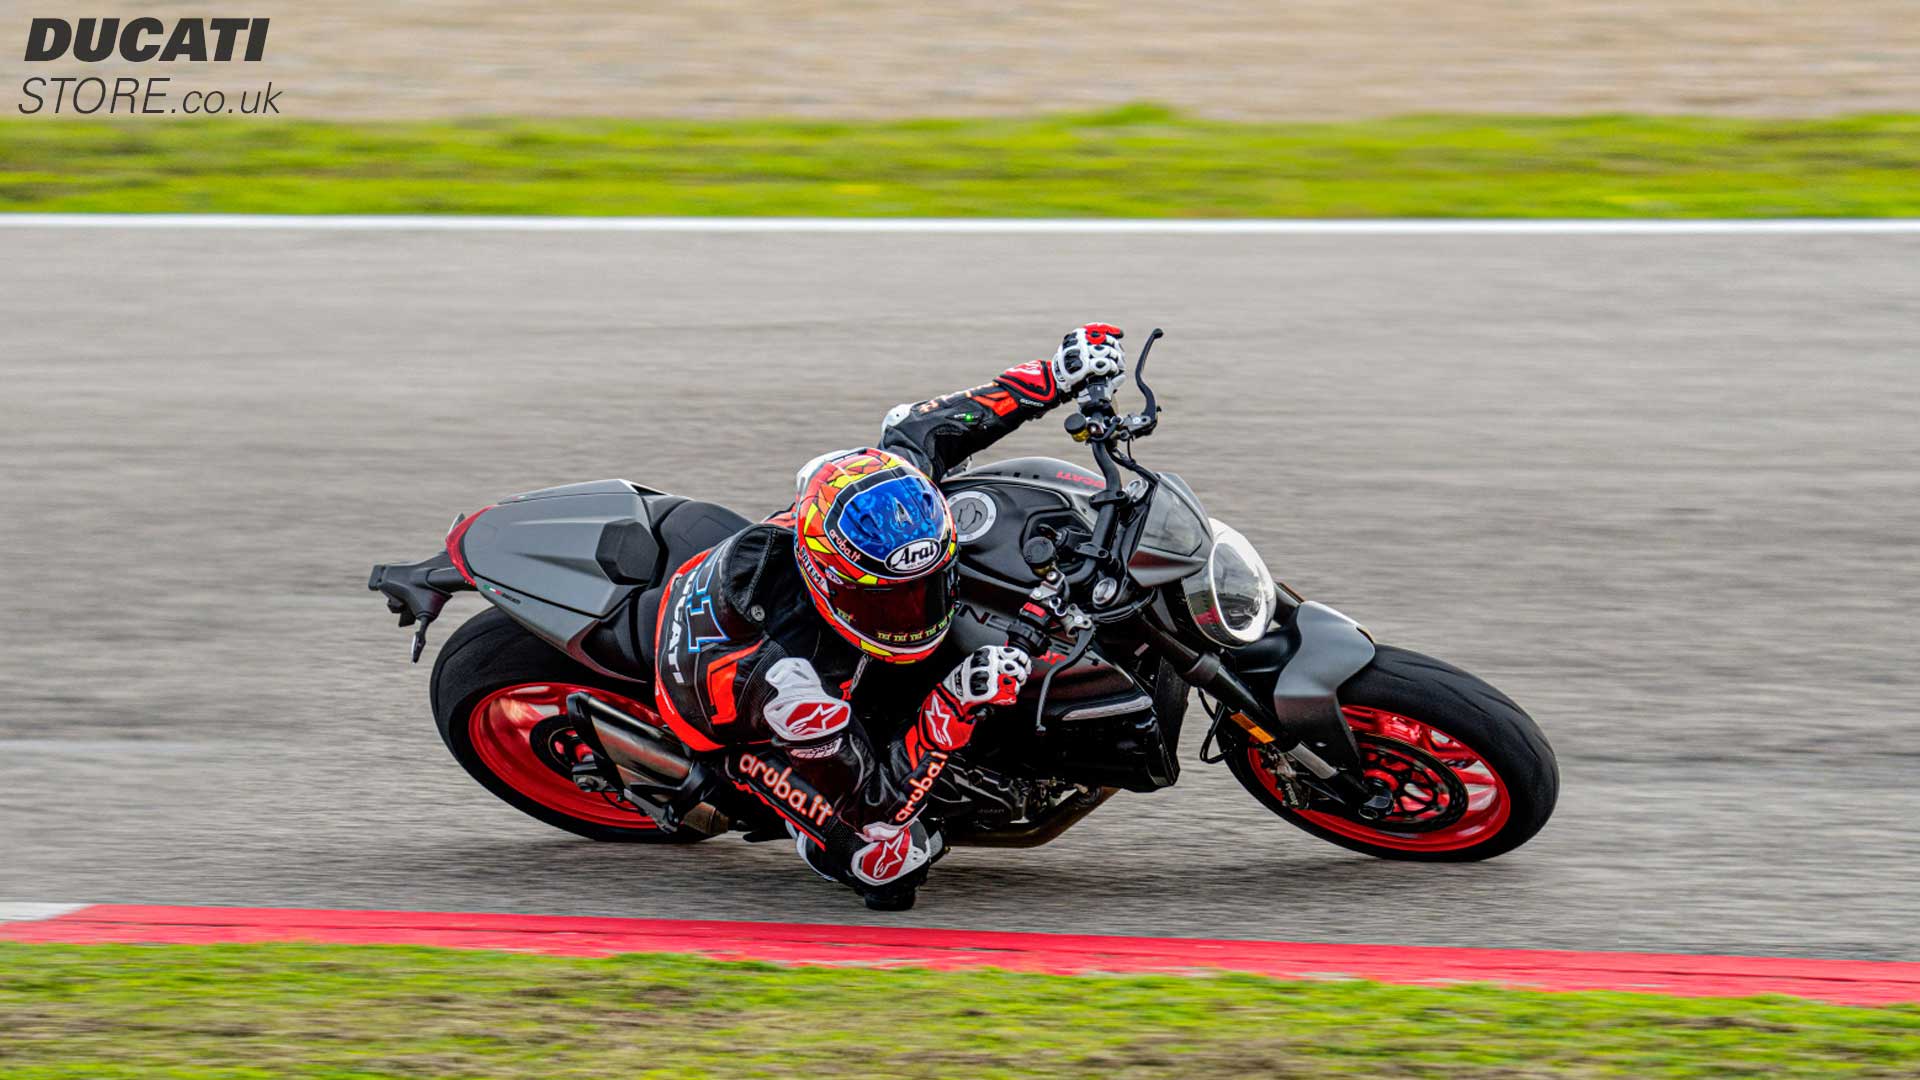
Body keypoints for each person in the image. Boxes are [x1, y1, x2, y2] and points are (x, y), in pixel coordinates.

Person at [649, 324, 1128, 908]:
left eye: (925, 588)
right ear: (830, 582)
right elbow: (876, 801)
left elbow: (924, 426)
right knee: (886, 861)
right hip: (740, 713)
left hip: (740, 595)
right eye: (892, 601)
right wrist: (952, 702)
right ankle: (809, 841)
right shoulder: (796, 692)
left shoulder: (874, 495)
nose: (915, 611)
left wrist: (1056, 375)